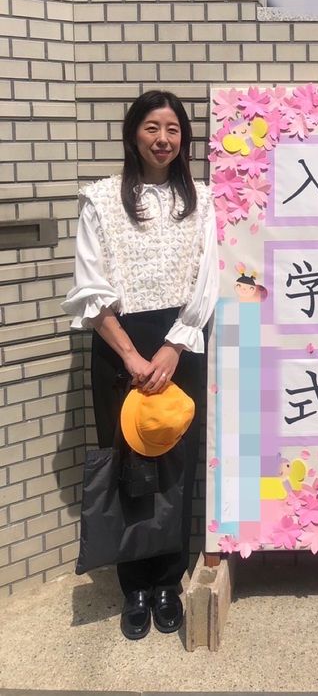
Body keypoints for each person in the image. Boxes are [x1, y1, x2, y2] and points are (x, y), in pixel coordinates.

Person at [63, 90, 219, 640]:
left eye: (173, 129)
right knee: (128, 461)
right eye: (152, 127)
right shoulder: (101, 199)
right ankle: (134, 585)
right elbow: (89, 284)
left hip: (181, 343)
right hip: (118, 344)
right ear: (133, 134)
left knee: (176, 462)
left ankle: (167, 580)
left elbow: (207, 280)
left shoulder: (202, 201)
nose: (163, 139)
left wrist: (174, 347)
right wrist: (130, 354)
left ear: (184, 139)